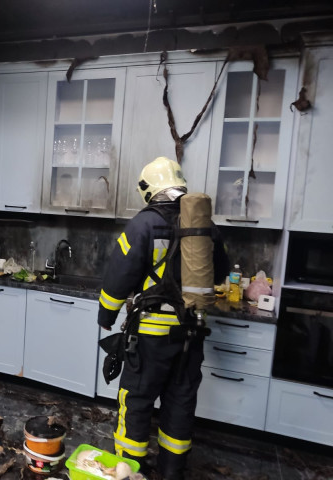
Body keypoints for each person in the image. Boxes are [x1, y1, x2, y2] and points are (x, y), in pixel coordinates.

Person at [97, 156, 229, 480]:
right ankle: (172, 472)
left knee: (137, 400)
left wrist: (106, 314)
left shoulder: (143, 224)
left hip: (150, 337)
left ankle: (130, 471)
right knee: (180, 402)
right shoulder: (205, 225)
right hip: (191, 333)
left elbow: (119, 275)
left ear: (148, 189)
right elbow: (220, 274)